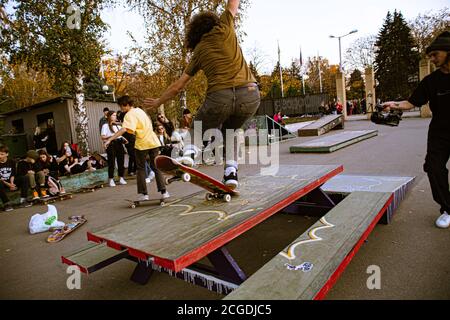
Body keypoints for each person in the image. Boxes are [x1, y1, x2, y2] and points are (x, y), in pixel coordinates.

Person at [143, 0, 260, 189]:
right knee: (230, 132)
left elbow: (178, 86)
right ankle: (231, 173)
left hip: (220, 97)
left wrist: (158, 101)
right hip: (250, 95)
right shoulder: (225, 25)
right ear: (213, 21)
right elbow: (233, 4)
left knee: (197, 128)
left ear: (195, 33)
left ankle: (189, 154)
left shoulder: (199, 50)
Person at [382, 31, 450, 229]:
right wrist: (393, 105)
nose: (432, 58)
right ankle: (447, 208)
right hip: (440, 132)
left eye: (435, 54)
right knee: (433, 167)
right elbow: (411, 102)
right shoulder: (431, 81)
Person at [105, 95, 169, 201]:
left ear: (125, 105)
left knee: (140, 169)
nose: (121, 109)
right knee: (156, 167)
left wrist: (110, 139)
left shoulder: (129, 115)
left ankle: (144, 194)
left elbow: (125, 129)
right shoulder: (139, 110)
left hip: (142, 143)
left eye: (121, 106)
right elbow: (135, 125)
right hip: (153, 141)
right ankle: (164, 192)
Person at [101, 111, 127, 187]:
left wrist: (124, 139)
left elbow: (120, 134)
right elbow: (102, 137)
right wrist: (112, 137)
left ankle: (121, 177)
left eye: (115, 115)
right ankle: (111, 179)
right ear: (109, 117)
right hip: (111, 144)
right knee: (111, 162)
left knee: (121, 161)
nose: (115, 117)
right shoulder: (105, 125)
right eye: (113, 115)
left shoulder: (117, 125)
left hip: (119, 143)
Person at [0, 145, 19, 211]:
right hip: (2, 183)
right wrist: (9, 185)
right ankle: (6, 204)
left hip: (11, 181)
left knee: (24, 178)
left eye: (2, 154)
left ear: (7, 154)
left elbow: (13, 174)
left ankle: (23, 199)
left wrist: (12, 183)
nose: (0, 156)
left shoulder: (12, 162)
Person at [118, 110, 136, 176]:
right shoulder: (123, 125)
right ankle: (131, 171)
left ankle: (132, 170)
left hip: (134, 142)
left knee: (133, 157)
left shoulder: (130, 123)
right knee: (133, 156)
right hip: (128, 143)